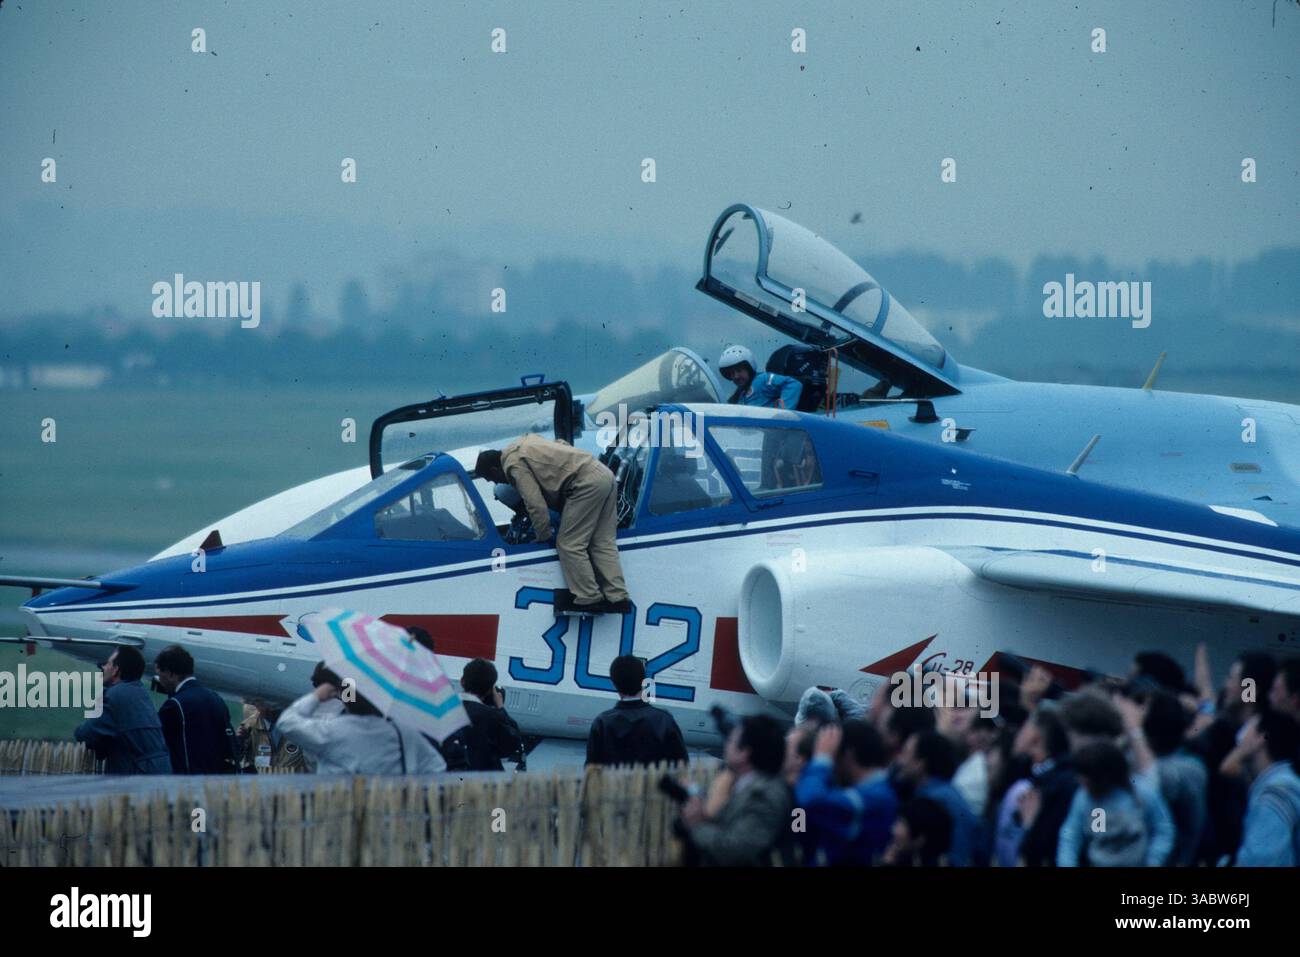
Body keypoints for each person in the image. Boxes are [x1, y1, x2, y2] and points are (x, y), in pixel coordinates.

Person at [475, 435, 630, 614]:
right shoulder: (523, 442)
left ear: (495, 468)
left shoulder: (512, 464)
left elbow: (535, 504)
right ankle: (618, 597)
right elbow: (561, 444)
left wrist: (543, 536)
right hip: (603, 474)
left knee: (569, 543)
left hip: (585, 484)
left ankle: (588, 597)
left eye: (493, 478)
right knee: (602, 541)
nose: (497, 482)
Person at [277, 663, 446, 774]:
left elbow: (287, 722)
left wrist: (318, 696)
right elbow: (436, 768)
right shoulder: (402, 732)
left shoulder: (333, 731)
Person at [681, 714, 792, 866]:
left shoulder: (764, 796)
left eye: (731, 740)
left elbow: (733, 849)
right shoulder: (742, 784)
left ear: (744, 752)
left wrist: (697, 826)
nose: (726, 745)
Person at [794, 720, 899, 866]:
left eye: (833, 757)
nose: (832, 766)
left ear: (848, 755)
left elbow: (810, 801)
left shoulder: (874, 799)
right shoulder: (869, 792)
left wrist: (822, 761)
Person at [1056, 741, 1175, 867]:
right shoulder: (1083, 798)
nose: (1082, 781)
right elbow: (1071, 835)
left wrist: (1154, 860)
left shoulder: (1143, 794)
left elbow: (1163, 829)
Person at [74, 645, 172, 774]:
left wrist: (78, 731)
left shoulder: (115, 695)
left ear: (115, 670)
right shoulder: (139, 691)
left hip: (138, 774)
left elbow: (86, 735)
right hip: (158, 771)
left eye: (107, 664)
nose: (102, 667)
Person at [894, 730, 980, 866]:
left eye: (906, 753)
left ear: (920, 763)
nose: (900, 760)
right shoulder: (948, 793)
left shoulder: (933, 802)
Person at [585, 655, 688, 767]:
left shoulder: (602, 723)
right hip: (653, 784)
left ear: (614, 683)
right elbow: (681, 769)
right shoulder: (664, 720)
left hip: (613, 784)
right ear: (643, 681)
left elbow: (591, 772)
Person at [154, 644, 237, 774]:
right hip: (217, 780)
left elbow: (157, 745)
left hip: (187, 782)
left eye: (160, 674)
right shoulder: (216, 698)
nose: (160, 680)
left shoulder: (175, 705)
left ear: (170, 674)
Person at [1235, 710, 1300, 866]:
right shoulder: (1281, 783)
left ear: (1260, 738)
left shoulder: (1277, 792)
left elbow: (1260, 861)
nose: (1240, 739)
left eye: (1248, 729)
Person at [443, 658, 523, 771]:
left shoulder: (443, 710)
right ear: (490, 690)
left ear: (462, 681)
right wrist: (501, 709)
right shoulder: (492, 717)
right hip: (480, 783)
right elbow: (512, 743)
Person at [718, 345, 802, 409]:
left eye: (739, 370)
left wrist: (782, 414)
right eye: (732, 373)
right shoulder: (739, 395)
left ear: (749, 369)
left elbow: (793, 384)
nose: (736, 376)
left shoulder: (762, 379)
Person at [236, 701, 306, 773]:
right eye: (264, 705)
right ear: (256, 706)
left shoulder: (299, 725)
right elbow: (235, 758)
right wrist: (239, 740)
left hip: (293, 783)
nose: (270, 709)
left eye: (273, 706)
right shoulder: (249, 727)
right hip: (261, 782)